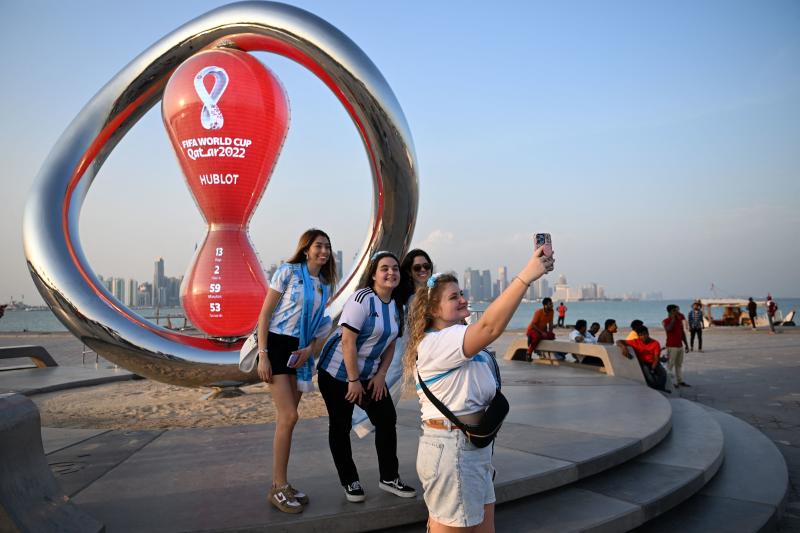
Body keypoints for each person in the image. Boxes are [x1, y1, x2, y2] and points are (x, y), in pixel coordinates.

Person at [404, 246, 554, 531]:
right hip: (453, 449)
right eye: (453, 297)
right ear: (433, 309)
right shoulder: (437, 343)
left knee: (482, 526)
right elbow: (489, 327)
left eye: (461, 293)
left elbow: (482, 334)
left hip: (472, 447)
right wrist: (526, 277)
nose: (463, 299)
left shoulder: (457, 339)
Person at [317, 251, 415, 503]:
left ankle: (389, 477)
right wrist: (353, 381)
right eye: (384, 268)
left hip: (370, 375)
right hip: (338, 373)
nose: (391, 272)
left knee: (386, 419)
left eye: (395, 268)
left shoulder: (397, 306)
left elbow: (392, 342)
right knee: (341, 426)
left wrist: (381, 375)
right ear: (373, 274)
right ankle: (350, 481)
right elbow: (348, 342)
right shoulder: (361, 300)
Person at [255, 229, 337, 514]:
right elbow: (265, 314)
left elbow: (320, 324)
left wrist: (310, 349)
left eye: (327, 246)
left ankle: (282, 483)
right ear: (305, 249)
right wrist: (263, 355)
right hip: (277, 345)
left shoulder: (324, 285)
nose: (324, 251)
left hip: (299, 352)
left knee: (287, 421)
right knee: (289, 415)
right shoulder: (288, 272)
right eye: (318, 246)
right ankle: (276, 487)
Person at [352, 249, 433, 437]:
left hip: (426, 352)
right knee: (392, 377)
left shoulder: (433, 293)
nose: (423, 270)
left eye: (426, 266)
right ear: (409, 271)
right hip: (405, 347)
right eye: (417, 267)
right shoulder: (407, 296)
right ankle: (362, 418)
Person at [616, 326, 669, 392]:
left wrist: (653, 368)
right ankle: (654, 390)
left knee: (663, 373)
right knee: (649, 376)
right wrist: (623, 347)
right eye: (640, 335)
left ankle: (662, 389)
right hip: (643, 362)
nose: (643, 336)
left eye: (644, 334)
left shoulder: (655, 343)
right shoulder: (635, 342)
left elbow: (656, 358)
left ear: (648, 334)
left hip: (654, 361)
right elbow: (618, 341)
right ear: (638, 336)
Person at [663, 304, 689, 388]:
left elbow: (682, 333)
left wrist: (686, 344)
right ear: (671, 311)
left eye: (678, 310)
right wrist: (673, 319)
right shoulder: (666, 320)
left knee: (679, 364)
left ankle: (680, 381)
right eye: (675, 310)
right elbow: (668, 329)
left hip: (679, 346)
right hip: (671, 346)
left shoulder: (679, 320)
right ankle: (670, 382)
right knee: (670, 365)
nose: (678, 311)